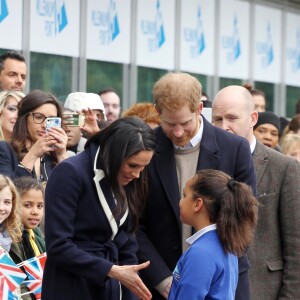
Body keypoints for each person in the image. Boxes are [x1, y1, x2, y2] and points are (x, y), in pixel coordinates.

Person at [136, 72, 256, 300]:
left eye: (185, 123)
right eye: (170, 124)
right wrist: (163, 280)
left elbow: (245, 218)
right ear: (157, 111)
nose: (178, 132)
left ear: (200, 108)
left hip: (221, 285)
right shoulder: (145, 149)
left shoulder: (234, 148)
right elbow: (134, 223)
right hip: (158, 285)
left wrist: (205, 273)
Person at [42, 117, 155, 300]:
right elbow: (58, 245)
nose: (136, 174)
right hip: (71, 285)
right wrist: (112, 270)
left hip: (111, 284)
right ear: (114, 154)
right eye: (132, 165)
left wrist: (130, 289)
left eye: (143, 167)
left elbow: (127, 242)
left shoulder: (128, 179)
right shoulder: (69, 172)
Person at [212, 85, 300, 299]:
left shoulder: (284, 167)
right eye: (217, 119)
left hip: (263, 289)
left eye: (232, 118)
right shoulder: (205, 162)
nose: (224, 127)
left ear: (253, 118)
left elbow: (296, 246)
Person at [168, 169, 258, 300]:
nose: (180, 201)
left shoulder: (201, 253)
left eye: (184, 195)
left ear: (197, 204)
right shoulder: (225, 243)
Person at [0, 89, 68, 182]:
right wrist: (33, 154)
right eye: (39, 117)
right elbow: (9, 192)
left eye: (51, 120)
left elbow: (71, 192)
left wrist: (62, 155)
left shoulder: (54, 156)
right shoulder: (5, 150)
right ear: (24, 118)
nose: (44, 125)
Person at [10, 176, 46, 300]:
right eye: (28, 205)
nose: (35, 212)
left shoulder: (37, 234)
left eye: (40, 206)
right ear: (14, 204)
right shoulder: (10, 239)